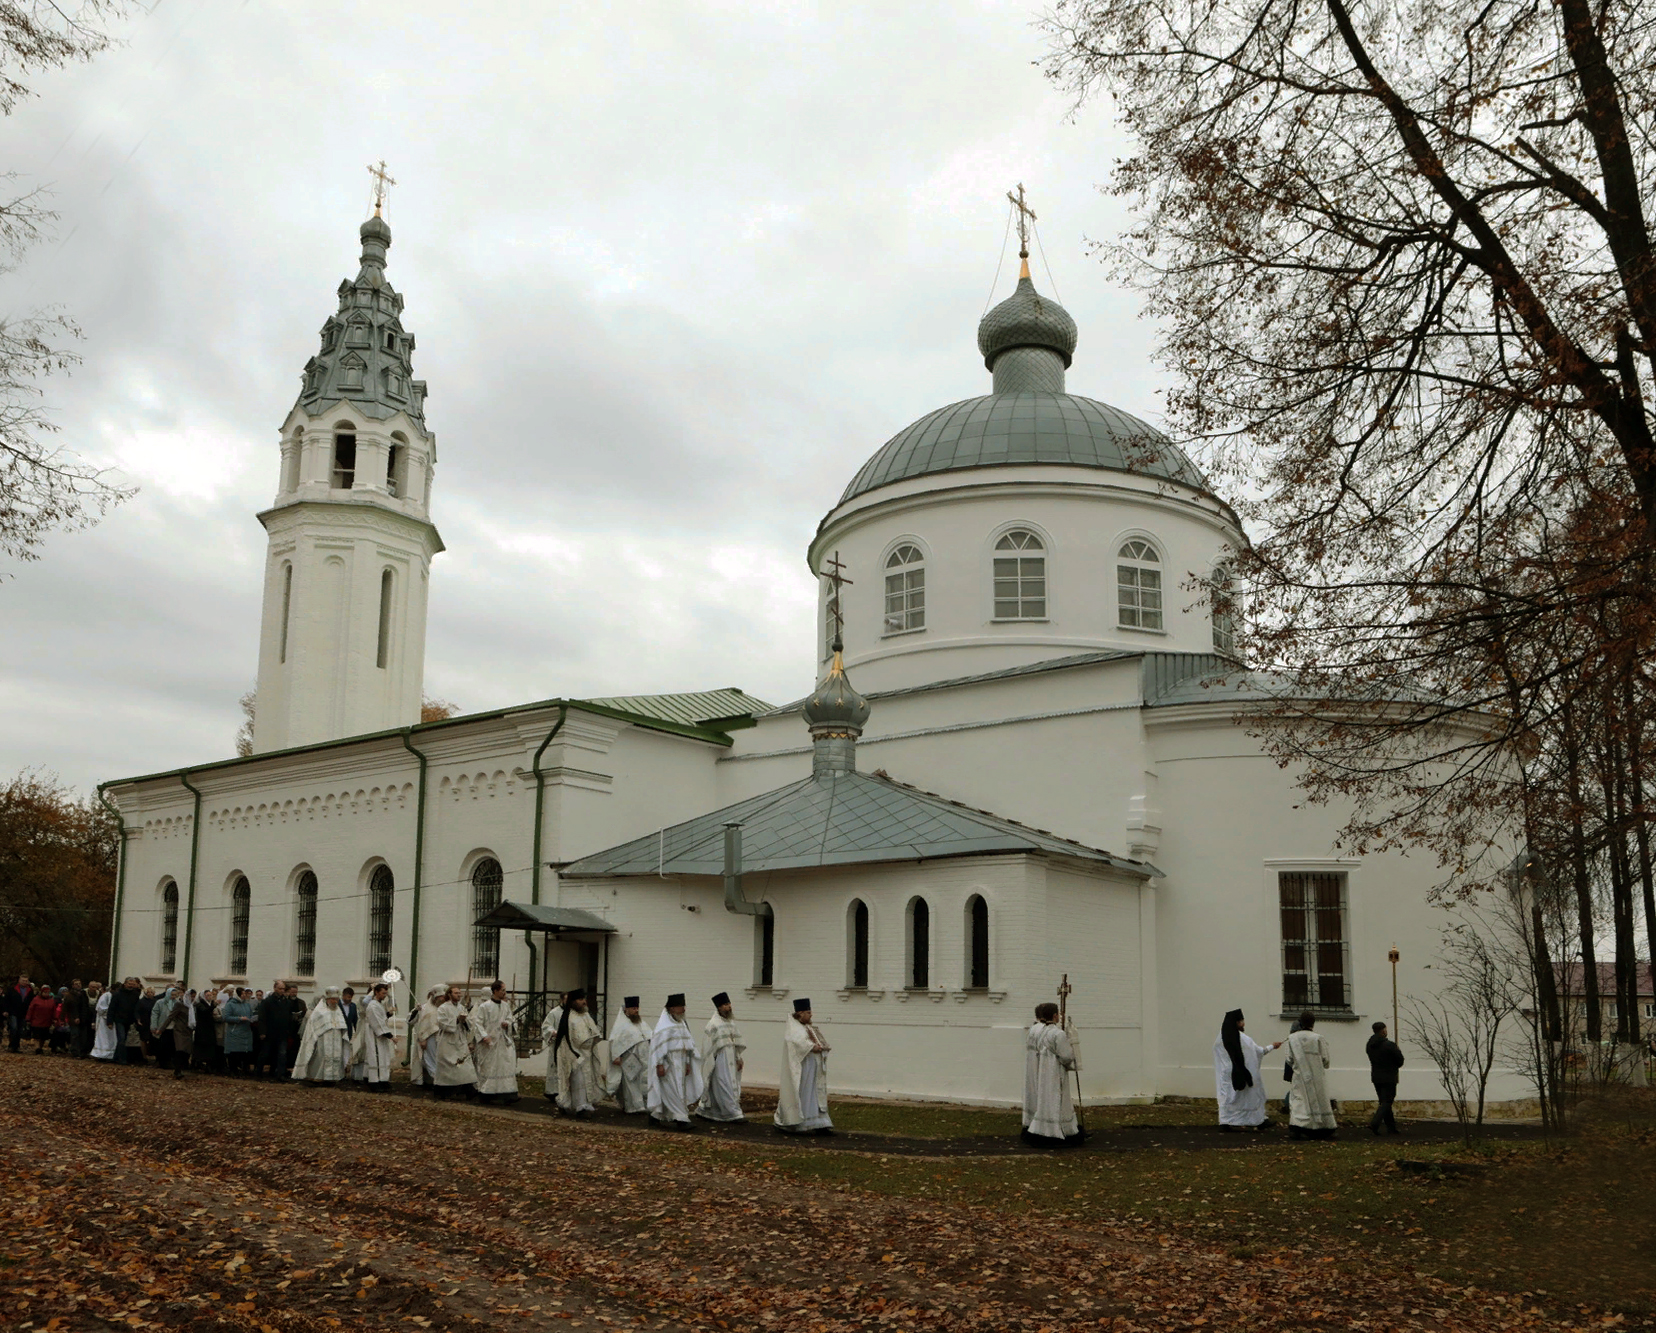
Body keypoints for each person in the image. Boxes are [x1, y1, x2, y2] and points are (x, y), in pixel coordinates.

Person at [1023, 1002, 1083, 1146]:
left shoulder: (1038, 1031)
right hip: (1055, 1073)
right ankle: (1060, 1130)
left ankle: (1041, 1128)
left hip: (1042, 1071)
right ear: (1055, 1015)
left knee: (1045, 1100)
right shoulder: (1058, 1034)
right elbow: (1066, 1056)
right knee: (1058, 1101)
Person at [1214, 1008, 1281, 1132]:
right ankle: (1258, 1120)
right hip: (1244, 1073)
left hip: (1227, 1075)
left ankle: (1225, 1121)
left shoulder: (1220, 1039)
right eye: (1241, 1021)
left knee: (1227, 1097)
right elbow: (1258, 1052)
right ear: (1236, 1023)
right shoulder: (1244, 1039)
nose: (1243, 1024)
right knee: (1251, 1097)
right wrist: (1272, 1046)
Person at [775, 998, 833, 1135]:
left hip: (814, 1066)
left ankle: (820, 1123)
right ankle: (800, 1122)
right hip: (802, 1068)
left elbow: (816, 1041)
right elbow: (796, 1042)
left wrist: (822, 1047)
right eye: (808, 1012)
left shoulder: (808, 1027)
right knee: (804, 1092)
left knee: (815, 1092)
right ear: (800, 1013)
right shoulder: (793, 1028)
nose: (811, 1014)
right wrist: (813, 1047)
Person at [647, 993, 703, 1131]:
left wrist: (688, 1063)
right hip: (669, 1064)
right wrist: (659, 1064)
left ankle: (655, 1115)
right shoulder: (663, 1027)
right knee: (673, 1091)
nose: (683, 1009)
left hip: (682, 1063)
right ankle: (681, 1119)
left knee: (677, 1091)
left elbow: (688, 1045)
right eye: (680, 1007)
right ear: (671, 1009)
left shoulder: (682, 1023)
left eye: (684, 1006)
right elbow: (657, 1048)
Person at [1285, 1011, 1337, 1140]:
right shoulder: (1319, 1038)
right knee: (1320, 1100)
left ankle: (1297, 1126)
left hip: (1300, 1076)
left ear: (1300, 1022)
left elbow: (1289, 1059)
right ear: (1313, 1023)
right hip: (1317, 1076)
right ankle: (1322, 1127)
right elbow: (1326, 1059)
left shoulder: (1292, 1039)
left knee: (1299, 1101)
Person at [553, 988, 603, 1118]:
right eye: (580, 999)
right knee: (577, 1082)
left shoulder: (586, 1015)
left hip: (587, 1054)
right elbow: (568, 1039)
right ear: (573, 1001)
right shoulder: (569, 1017)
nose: (584, 1002)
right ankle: (579, 1108)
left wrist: (594, 1038)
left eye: (584, 999)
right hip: (574, 1055)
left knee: (586, 1081)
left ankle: (585, 1104)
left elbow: (593, 1031)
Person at [698, 992, 746, 1122]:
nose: (729, 1007)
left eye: (729, 1004)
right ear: (719, 1007)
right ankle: (733, 1113)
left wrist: (738, 1058)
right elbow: (708, 1047)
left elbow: (735, 1043)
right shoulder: (713, 1024)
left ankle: (706, 1111)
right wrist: (710, 1062)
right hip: (719, 1060)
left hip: (731, 1059)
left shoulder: (731, 1023)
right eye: (725, 1005)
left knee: (727, 1085)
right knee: (723, 1084)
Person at [472, 980, 520, 1103]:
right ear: (495, 991)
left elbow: (510, 1018)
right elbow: (478, 1023)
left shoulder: (505, 1006)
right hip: (489, 1043)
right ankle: (487, 1094)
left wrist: (507, 1024)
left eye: (505, 990)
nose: (505, 993)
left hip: (502, 1041)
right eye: (503, 990)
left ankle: (507, 1093)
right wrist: (484, 1036)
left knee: (505, 1067)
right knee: (489, 1068)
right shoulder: (485, 1006)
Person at [292, 987, 350, 1085]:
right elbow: (312, 1028)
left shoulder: (338, 1011)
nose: (335, 1001)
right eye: (332, 999)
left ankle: (332, 1078)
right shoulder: (319, 1011)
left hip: (336, 1039)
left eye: (336, 999)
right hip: (322, 1039)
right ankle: (318, 1077)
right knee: (321, 1058)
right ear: (327, 999)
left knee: (335, 1057)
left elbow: (342, 1025)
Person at [432, 985, 478, 1099]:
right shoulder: (443, 1008)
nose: (459, 995)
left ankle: (469, 1090)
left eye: (459, 993)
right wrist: (457, 1020)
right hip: (448, 1041)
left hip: (460, 1040)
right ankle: (443, 1092)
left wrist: (464, 1020)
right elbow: (442, 1023)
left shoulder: (462, 1007)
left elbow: (469, 1024)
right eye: (456, 993)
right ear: (449, 994)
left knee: (465, 1065)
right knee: (448, 1067)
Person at [606, 996, 651, 1113]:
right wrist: (616, 1056)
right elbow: (615, 1041)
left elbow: (648, 1035)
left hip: (643, 1059)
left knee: (642, 1082)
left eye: (637, 1008)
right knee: (630, 1083)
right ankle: (632, 1107)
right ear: (626, 1009)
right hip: (628, 1059)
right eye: (634, 1008)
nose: (636, 1010)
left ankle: (642, 1104)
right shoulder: (621, 1025)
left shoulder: (641, 1022)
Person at [1366, 1021, 1405, 1135]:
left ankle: (1391, 1127)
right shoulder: (1389, 1045)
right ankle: (1375, 1123)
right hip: (1389, 1076)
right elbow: (1400, 1060)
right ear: (1383, 1031)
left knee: (1383, 1102)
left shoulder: (1369, 1045)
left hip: (1376, 1076)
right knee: (1387, 1101)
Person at [357, 983, 394, 1092]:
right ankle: (374, 1081)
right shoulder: (372, 1005)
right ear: (376, 992)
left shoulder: (379, 1004)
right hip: (374, 1035)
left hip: (379, 1035)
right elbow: (377, 1022)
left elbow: (381, 1017)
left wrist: (388, 1014)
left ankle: (382, 1079)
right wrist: (390, 1036)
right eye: (383, 993)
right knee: (376, 1056)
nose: (385, 995)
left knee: (382, 1056)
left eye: (386, 993)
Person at [409, 985, 447, 1089]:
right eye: (441, 997)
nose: (443, 999)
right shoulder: (424, 1008)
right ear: (435, 997)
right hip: (428, 1038)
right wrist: (416, 1011)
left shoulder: (445, 1008)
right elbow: (410, 1021)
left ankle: (438, 1081)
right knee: (430, 1060)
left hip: (442, 1037)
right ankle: (436, 1082)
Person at [258, 983, 295, 1081]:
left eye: (283, 989)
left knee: (282, 1054)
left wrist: (289, 1030)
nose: (282, 991)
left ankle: (280, 1074)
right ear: (275, 988)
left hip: (282, 1033)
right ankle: (258, 1072)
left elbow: (289, 1017)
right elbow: (262, 1017)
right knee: (265, 1053)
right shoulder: (267, 1002)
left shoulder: (287, 1002)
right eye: (280, 989)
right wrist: (262, 1032)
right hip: (270, 1032)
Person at [159, 986, 195, 1078]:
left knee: (186, 1051)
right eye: (192, 996)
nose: (193, 998)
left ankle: (182, 1068)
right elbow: (170, 1017)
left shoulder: (192, 1007)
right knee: (180, 1049)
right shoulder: (179, 1005)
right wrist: (161, 1029)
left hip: (189, 1031)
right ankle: (177, 1070)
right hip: (180, 1030)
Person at [540, 991, 567, 1103]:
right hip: (557, 1045)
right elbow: (546, 1027)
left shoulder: (573, 1013)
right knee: (555, 1068)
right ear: (561, 1000)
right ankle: (552, 1091)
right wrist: (553, 1032)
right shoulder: (554, 1013)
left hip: (568, 1047)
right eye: (566, 999)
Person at [220, 988, 255, 1074]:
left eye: (244, 994)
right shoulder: (230, 1004)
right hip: (235, 1031)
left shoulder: (247, 1004)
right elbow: (226, 1017)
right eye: (242, 994)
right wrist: (239, 1019)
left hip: (245, 1031)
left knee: (245, 1052)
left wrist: (252, 1018)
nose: (244, 996)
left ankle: (245, 1069)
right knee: (234, 1053)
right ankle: (233, 1069)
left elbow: (250, 1014)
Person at [109, 978, 140, 1065]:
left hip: (129, 1020)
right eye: (129, 983)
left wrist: (136, 1018)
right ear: (125, 984)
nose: (131, 985)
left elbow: (136, 1008)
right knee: (121, 1038)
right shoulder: (117, 994)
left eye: (132, 984)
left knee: (123, 1039)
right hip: (119, 1019)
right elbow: (112, 1008)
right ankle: (122, 1059)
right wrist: (110, 1021)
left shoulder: (135, 995)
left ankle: (116, 1057)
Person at [193, 988, 221, 1073]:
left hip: (210, 1029)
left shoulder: (211, 1003)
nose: (210, 997)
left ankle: (209, 1065)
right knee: (201, 1048)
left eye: (211, 995)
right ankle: (198, 1064)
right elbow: (205, 1011)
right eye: (208, 995)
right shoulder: (200, 1004)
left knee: (210, 1048)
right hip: (202, 1029)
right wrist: (213, 1006)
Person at [25, 985, 57, 1054]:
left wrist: (55, 1018)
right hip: (36, 1020)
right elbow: (31, 1009)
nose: (46, 994)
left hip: (46, 1021)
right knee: (37, 1036)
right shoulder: (36, 999)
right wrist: (28, 1018)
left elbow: (54, 1010)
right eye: (45, 992)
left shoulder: (51, 1001)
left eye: (47, 992)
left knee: (43, 1037)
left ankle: (40, 1047)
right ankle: (37, 1048)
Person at [63, 981, 91, 1058]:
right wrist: (74, 1017)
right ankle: (75, 1052)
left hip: (83, 1018)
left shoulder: (83, 994)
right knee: (75, 1035)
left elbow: (85, 1007)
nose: (78, 985)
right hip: (73, 1017)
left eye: (79, 984)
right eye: (76, 984)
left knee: (83, 1036)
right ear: (72, 985)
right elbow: (68, 1008)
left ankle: (82, 1052)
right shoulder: (70, 996)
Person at [6, 976, 33, 1053]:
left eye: (26, 981)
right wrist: (6, 1010)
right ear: (19, 981)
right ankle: (12, 1045)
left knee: (20, 1030)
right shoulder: (12, 989)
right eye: (23, 980)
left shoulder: (30, 991)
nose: (24, 982)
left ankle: (16, 1046)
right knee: (14, 1028)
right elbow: (7, 1001)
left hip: (23, 1013)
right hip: (13, 1012)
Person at [91, 983, 116, 1061]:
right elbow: (100, 1008)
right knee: (102, 1038)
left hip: (112, 1021)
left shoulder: (115, 996)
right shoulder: (105, 996)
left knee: (111, 1038)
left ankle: (110, 1055)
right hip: (102, 1021)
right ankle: (100, 1054)